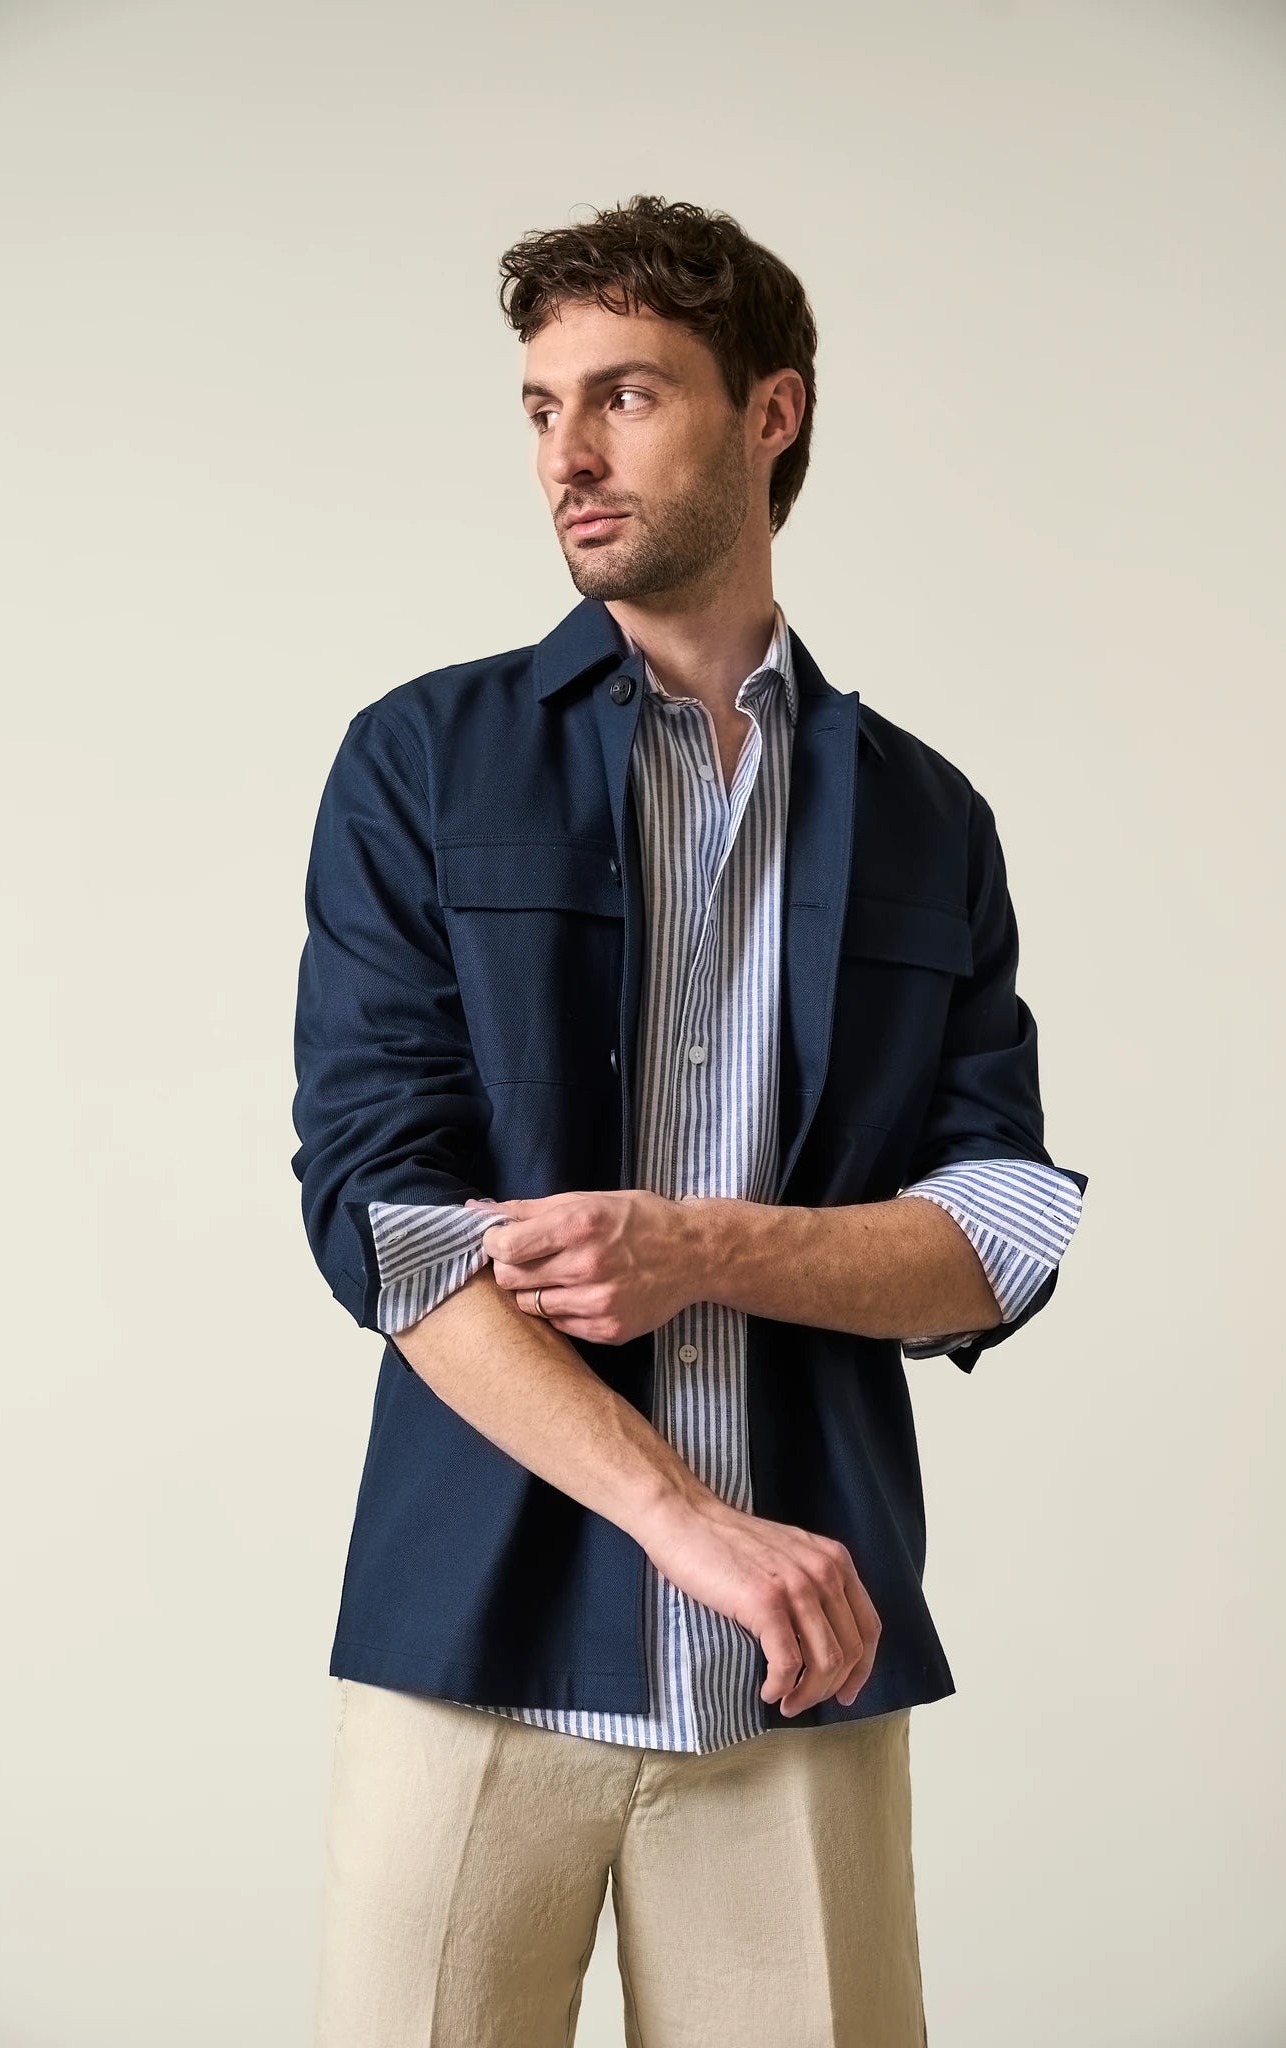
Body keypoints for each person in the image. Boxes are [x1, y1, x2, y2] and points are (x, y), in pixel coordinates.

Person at [291, 194, 1087, 2048]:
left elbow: (995, 1237)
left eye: (625, 395)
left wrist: (699, 1246)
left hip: (800, 1675)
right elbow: (386, 1225)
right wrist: (689, 1523)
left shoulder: (928, 819)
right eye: (540, 406)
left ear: (769, 414)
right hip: (477, 1648)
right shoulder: (422, 760)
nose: (565, 454)